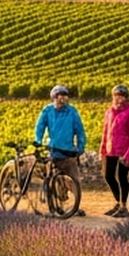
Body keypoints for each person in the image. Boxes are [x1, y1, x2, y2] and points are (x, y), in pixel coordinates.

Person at [33, 84, 87, 215]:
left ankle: (75, 207)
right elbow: (40, 127)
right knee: (53, 180)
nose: (62, 98)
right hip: (53, 151)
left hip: (68, 152)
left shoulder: (72, 112)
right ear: (54, 98)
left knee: (75, 181)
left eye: (64, 96)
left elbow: (80, 131)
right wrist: (38, 141)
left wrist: (80, 147)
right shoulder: (47, 111)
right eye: (59, 96)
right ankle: (55, 207)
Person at [99, 84, 129, 217]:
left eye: (122, 96)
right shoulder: (109, 112)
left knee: (122, 178)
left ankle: (124, 207)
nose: (119, 99)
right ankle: (119, 202)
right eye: (116, 96)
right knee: (108, 176)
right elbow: (105, 132)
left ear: (126, 98)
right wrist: (102, 150)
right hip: (110, 149)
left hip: (124, 150)